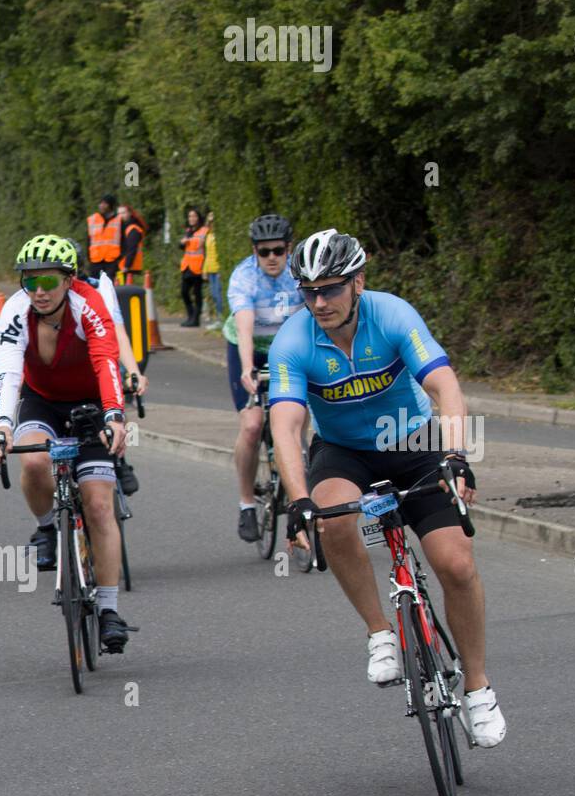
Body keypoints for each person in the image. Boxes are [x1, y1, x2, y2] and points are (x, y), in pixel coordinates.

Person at [270, 229, 506, 748]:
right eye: (308, 291)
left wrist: (456, 456)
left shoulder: (393, 315)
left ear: (358, 282)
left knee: (456, 563)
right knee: (332, 518)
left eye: (330, 289)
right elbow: (286, 425)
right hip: (343, 450)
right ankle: (380, 631)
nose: (319, 302)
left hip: (414, 440)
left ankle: (477, 685)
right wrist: (299, 500)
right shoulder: (293, 340)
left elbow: (444, 385)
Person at [0, 235, 133, 652]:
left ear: (69, 279)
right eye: (30, 282)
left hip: (90, 405)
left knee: (100, 504)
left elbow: (106, 360)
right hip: (42, 401)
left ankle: (108, 609)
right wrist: (0, 425)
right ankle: (47, 527)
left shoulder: (89, 303)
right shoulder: (15, 310)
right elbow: (8, 372)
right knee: (32, 463)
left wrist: (114, 416)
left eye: (49, 281)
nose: (40, 291)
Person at [224, 213, 303, 542]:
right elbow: (244, 327)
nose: (271, 258)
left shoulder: (300, 274)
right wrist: (246, 368)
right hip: (250, 348)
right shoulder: (244, 277)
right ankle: (246, 504)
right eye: (263, 252)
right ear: (254, 252)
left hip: (287, 346)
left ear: (289, 249)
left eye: (278, 251)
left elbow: (311, 323)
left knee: (298, 422)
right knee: (253, 424)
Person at [72, 238, 145, 495]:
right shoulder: (44, 296)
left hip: (98, 362)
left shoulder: (99, 289)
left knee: (112, 394)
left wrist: (133, 371)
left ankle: (119, 459)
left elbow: (118, 332)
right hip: (64, 371)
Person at [178, 206, 207, 327]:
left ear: (198, 218)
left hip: (198, 266)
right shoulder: (188, 230)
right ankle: (190, 315)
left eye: (194, 216)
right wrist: (182, 242)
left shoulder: (204, 230)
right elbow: (182, 247)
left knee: (197, 293)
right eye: (190, 216)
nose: (192, 218)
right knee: (184, 292)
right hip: (187, 266)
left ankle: (195, 319)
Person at [86, 194, 122, 279]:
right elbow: (88, 240)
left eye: (105, 203)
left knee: (109, 287)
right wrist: (89, 258)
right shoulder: (92, 219)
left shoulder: (119, 220)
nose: (101, 206)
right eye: (100, 203)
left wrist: (120, 258)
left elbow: (123, 241)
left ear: (111, 205)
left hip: (112, 261)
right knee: (94, 287)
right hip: (95, 260)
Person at [117, 204, 146, 284]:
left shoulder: (133, 229)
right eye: (119, 213)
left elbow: (132, 249)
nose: (120, 216)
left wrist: (126, 266)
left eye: (123, 213)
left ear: (130, 213)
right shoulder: (125, 228)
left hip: (130, 269)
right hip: (126, 267)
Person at [204, 211, 222, 328]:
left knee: (218, 294)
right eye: (210, 221)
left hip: (218, 269)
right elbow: (207, 254)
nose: (212, 224)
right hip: (210, 269)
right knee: (214, 295)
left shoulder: (219, 236)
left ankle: (221, 318)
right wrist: (204, 270)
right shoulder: (209, 235)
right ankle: (218, 319)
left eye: (213, 221)